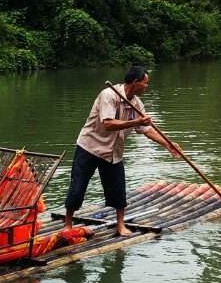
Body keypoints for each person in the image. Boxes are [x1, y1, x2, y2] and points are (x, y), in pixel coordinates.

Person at [64, 66, 181, 236]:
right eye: (145, 83)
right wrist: (136, 122)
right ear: (135, 82)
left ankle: (120, 225)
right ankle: (68, 224)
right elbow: (108, 123)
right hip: (90, 147)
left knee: (118, 190)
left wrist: (167, 144)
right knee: (78, 187)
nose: (147, 87)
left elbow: (146, 129)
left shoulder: (136, 104)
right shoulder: (108, 95)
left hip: (113, 151)